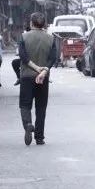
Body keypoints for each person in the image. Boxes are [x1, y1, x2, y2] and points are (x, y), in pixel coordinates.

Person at [17, 12, 57, 146]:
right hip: (43, 78)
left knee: (25, 105)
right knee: (41, 107)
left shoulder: (23, 37)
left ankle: (28, 124)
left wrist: (35, 68)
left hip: (27, 77)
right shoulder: (50, 38)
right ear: (44, 24)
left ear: (31, 23)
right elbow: (53, 58)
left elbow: (23, 56)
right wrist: (44, 70)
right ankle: (39, 137)